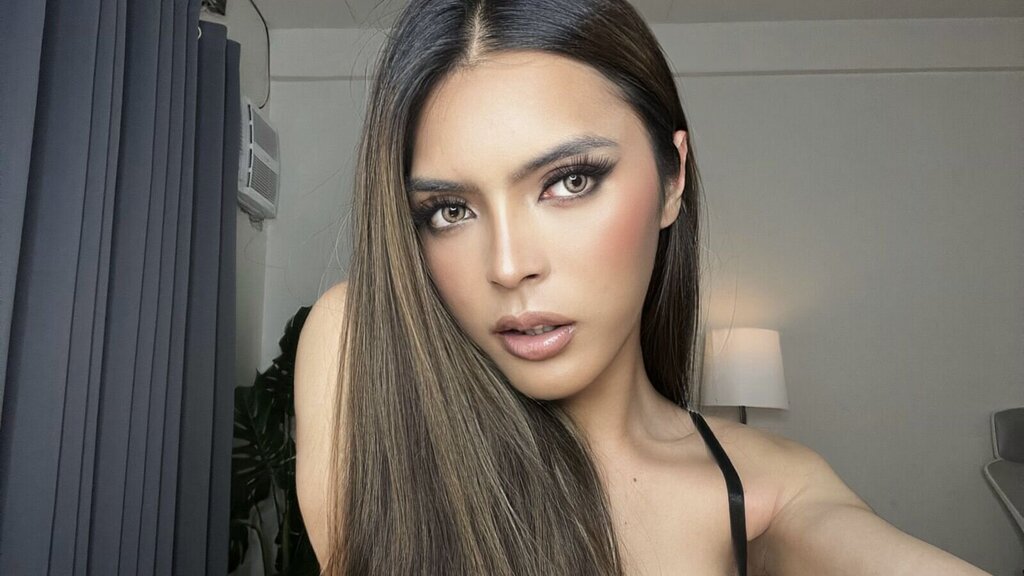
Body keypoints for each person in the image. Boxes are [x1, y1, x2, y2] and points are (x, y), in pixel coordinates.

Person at [293, 0, 993, 574]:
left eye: (570, 181)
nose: (508, 266)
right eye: (451, 210)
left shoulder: (762, 487)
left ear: (672, 178)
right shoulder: (367, 351)